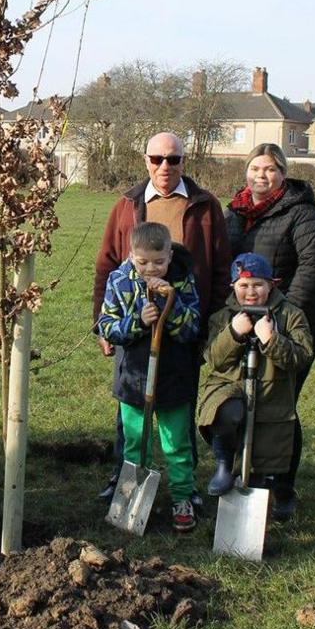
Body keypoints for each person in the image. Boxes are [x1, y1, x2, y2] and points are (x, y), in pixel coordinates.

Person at [92, 131, 231, 501]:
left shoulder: (205, 205)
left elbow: (219, 269)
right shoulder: (127, 204)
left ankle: (184, 489)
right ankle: (126, 482)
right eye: (157, 159)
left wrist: (209, 324)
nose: (165, 166)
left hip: (183, 328)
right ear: (145, 160)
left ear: (184, 162)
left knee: (176, 419)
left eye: (173, 159)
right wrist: (102, 326)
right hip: (134, 336)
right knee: (132, 417)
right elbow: (106, 265)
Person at [225, 142, 315, 520]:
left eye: (269, 169)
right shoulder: (235, 214)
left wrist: (281, 316)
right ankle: (250, 473)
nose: (261, 176)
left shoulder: (301, 214)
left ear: (283, 173)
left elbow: (313, 267)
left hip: (290, 327)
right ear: (246, 172)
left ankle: (283, 486)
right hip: (245, 324)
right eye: (255, 168)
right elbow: (226, 265)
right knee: (247, 402)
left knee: (280, 405)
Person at [95, 222, 202, 532]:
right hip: (133, 377)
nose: (151, 268)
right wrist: (137, 321)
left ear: (169, 255)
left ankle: (182, 497)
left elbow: (191, 328)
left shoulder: (182, 280)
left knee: (176, 444)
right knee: (135, 441)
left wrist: (171, 306)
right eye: (142, 262)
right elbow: (108, 326)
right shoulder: (119, 281)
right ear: (131, 255)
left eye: (159, 261)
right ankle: (133, 495)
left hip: (173, 377)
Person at [197, 253, 313, 501]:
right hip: (229, 387)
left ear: (272, 284)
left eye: (258, 285)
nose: (251, 292)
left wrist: (271, 340)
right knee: (226, 413)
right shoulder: (223, 317)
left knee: (265, 452)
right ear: (233, 287)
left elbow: (301, 357)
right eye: (243, 286)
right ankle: (224, 465)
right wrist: (234, 333)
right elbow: (215, 360)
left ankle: (267, 494)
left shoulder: (290, 316)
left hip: (272, 392)